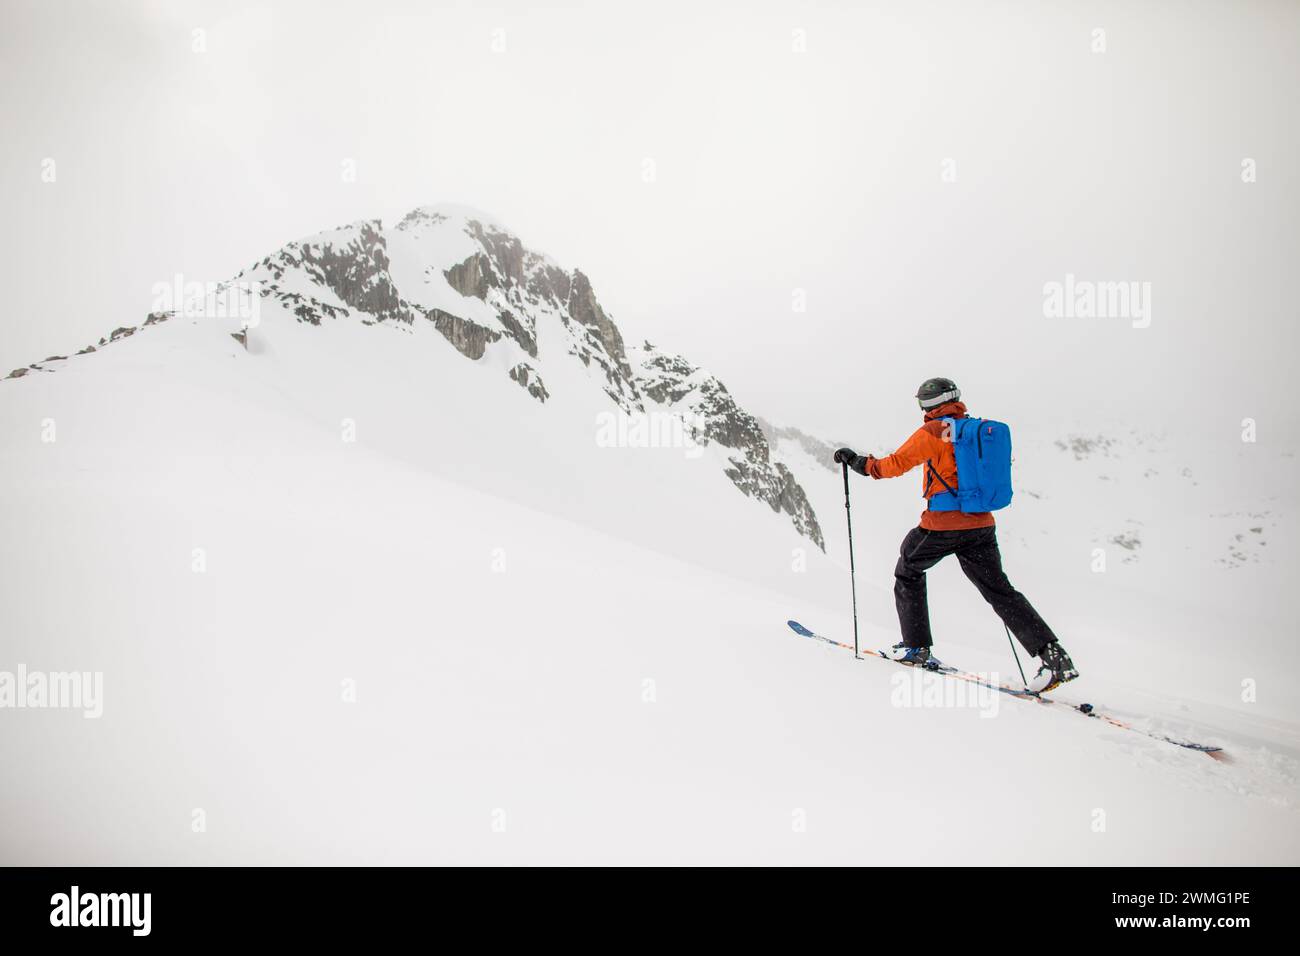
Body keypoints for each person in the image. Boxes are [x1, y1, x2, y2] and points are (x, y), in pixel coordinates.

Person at [833, 377, 1078, 693]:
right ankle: (1053, 656)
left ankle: (915, 647)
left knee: (908, 569)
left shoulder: (934, 431)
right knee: (999, 590)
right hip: (981, 526)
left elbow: (891, 466)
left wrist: (856, 462)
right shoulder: (974, 430)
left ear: (928, 404)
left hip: (943, 524)